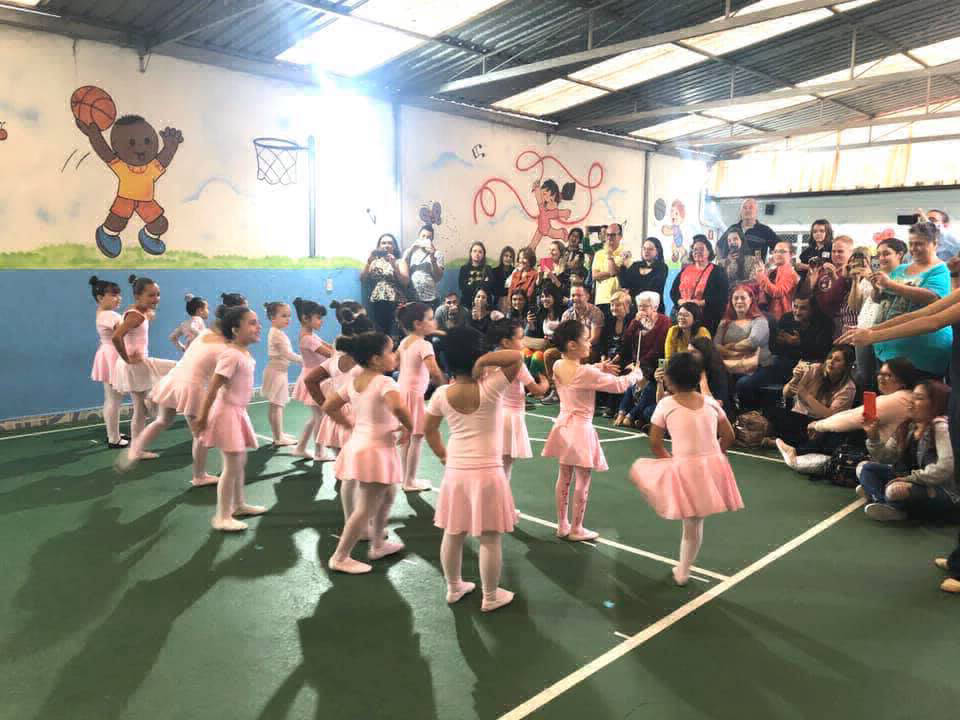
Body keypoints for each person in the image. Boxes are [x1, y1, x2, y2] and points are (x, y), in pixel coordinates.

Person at [424, 326, 525, 611]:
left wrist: (443, 456)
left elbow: (429, 430)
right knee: (490, 538)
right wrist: (485, 361)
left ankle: (454, 587)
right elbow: (516, 357)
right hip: (488, 472)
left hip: (456, 471)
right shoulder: (491, 386)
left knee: (453, 532)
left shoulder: (441, 394)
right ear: (478, 355)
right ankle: (490, 596)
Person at [629, 352, 742, 586]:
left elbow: (655, 442)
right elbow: (729, 435)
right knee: (695, 522)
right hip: (710, 465)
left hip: (685, 467)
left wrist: (670, 462)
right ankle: (684, 568)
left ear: (669, 379)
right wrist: (715, 454)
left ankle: (682, 571)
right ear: (698, 377)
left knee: (690, 521)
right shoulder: (710, 402)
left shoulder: (666, 404)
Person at [542, 320, 644, 541]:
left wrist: (598, 367)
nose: (590, 343)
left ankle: (562, 525)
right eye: (586, 339)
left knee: (564, 476)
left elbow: (580, 373)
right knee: (583, 479)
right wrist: (636, 374)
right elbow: (619, 385)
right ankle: (577, 528)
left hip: (563, 425)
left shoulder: (558, 364)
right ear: (572, 345)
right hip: (580, 429)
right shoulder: (585, 373)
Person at [324, 331, 414, 574]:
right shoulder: (385, 383)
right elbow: (398, 407)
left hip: (361, 445)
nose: (395, 355)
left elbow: (329, 405)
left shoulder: (354, 382)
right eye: (390, 351)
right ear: (375, 359)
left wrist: (348, 424)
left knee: (388, 494)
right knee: (364, 508)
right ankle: (340, 557)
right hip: (375, 450)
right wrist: (409, 427)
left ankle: (378, 543)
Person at [195, 307, 267, 532]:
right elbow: (213, 387)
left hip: (238, 412)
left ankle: (238, 504)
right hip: (227, 413)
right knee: (231, 466)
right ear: (235, 329)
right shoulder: (231, 354)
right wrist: (202, 417)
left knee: (239, 462)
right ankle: (222, 516)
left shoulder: (244, 353)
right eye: (252, 323)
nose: (258, 327)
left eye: (258, 322)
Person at [858, 380, 958, 523]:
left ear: (935, 403)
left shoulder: (941, 427)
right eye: (912, 396)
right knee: (865, 468)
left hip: (939, 488)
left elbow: (945, 468)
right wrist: (873, 437)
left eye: (919, 398)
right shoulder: (908, 426)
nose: (911, 401)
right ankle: (887, 504)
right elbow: (886, 457)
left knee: (894, 491)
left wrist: (909, 479)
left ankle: (885, 499)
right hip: (910, 479)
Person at [872, 222, 952, 378]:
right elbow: (883, 298)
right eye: (911, 244)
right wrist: (876, 289)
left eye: (919, 243)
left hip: (920, 354)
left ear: (935, 244)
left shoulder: (942, 270)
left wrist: (891, 284)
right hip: (887, 349)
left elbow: (933, 298)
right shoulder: (901, 269)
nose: (914, 248)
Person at [738, 295, 832, 409]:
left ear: (813, 309)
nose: (797, 312)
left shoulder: (825, 323)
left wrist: (800, 343)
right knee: (744, 383)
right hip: (781, 365)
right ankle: (751, 416)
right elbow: (775, 349)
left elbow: (824, 352)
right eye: (795, 307)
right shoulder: (787, 318)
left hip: (809, 369)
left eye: (803, 308)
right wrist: (778, 342)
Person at [487, 319, 549, 489]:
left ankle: (493, 497)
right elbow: (536, 390)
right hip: (510, 417)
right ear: (506, 342)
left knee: (495, 462)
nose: (523, 342)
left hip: (493, 414)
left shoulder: (490, 359)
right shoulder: (516, 362)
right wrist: (545, 382)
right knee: (506, 462)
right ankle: (500, 499)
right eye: (520, 338)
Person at [773, 345, 857, 461]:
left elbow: (831, 415)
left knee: (832, 438)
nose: (831, 362)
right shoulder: (814, 369)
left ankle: (792, 448)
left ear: (846, 366)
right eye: (830, 357)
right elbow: (786, 393)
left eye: (837, 360)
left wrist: (806, 395)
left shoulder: (848, 387)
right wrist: (795, 378)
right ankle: (790, 446)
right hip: (800, 417)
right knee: (777, 414)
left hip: (823, 423)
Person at [806, 357, 919, 443]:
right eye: (880, 373)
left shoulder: (898, 399)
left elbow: (853, 419)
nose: (881, 378)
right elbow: (854, 413)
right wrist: (820, 424)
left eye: (888, 375)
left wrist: (818, 426)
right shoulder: (900, 397)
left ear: (902, 381)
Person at [396, 303, 447, 493]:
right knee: (416, 437)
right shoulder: (425, 345)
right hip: (413, 396)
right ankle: (410, 481)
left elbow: (397, 364)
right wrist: (445, 387)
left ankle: (405, 478)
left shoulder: (405, 341)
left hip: (402, 392)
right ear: (418, 324)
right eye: (430, 319)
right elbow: (434, 371)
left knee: (407, 438)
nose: (434, 322)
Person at [111, 275, 162, 446]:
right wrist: (127, 358)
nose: (156, 298)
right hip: (135, 365)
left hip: (138, 363)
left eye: (158, 294)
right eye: (151, 295)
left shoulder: (135, 311)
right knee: (142, 408)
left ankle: (138, 446)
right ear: (138, 296)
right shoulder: (136, 316)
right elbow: (116, 337)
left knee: (141, 408)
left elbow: (121, 329)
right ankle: (138, 447)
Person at [854, 238, 907, 390]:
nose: (881, 258)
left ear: (899, 254)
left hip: (892, 335)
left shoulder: (906, 276)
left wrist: (887, 284)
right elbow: (875, 300)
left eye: (886, 253)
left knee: (888, 380)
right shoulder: (878, 275)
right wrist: (875, 288)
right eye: (879, 255)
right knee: (866, 377)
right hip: (869, 329)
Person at [614, 292, 670, 426]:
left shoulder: (664, 321)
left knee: (644, 378)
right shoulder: (637, 320)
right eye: (640, 306)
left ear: (655, 307)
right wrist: (635, 323)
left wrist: (639, 365)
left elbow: (658, 348)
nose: (642, 309)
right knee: (631, 379)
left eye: (646, 306)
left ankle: (631, 415)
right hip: (638, 362)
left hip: (655, 364)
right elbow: (625, 342)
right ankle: (622, 412)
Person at [714, 285, 773, 409]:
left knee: (743, 384)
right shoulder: (725, 322)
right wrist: (733, 353)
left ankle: (748, 414)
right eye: (735, 298)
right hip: (730, 365)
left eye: (743, 298)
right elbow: (715, 345)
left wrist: (730, 346)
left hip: (757, 367)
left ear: (751, 300)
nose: (739, 301)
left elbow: (752, 342)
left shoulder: (759, 320)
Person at [291, 298, 333, 461]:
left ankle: (300, 448)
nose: (321, 321)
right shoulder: (307, 339)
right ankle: (319, 452)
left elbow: (331, 348)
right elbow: (329, 353)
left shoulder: (312, 335)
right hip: (314, 380)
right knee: (319, 417)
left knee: (316, 416)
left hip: (315, 377)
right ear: (305, 318)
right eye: (318, 318)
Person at [89, 276, 127, 449]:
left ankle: (114, 434)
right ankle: (114, 438)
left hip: (107, 353)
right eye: (113, 295)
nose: (118, 298)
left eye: (119, 294)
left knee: (111, 399)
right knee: (114, 400)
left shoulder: (101, 313)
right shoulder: (110, 315)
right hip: (113, 355)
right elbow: (125, 333)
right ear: (100, 297)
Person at [261, 302, 302, 446]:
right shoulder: (277, 334)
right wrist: (304, 360)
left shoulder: (277, 332)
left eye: (289, 316)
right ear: (273, 318)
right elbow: (288, 354)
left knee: (275, 405)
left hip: (278, 371)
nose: (288, 319)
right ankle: (279, 438)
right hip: (277, 372)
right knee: (277, 405)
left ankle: (278, 434)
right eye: (284, 316)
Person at [669, 236, 728, 334]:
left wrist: (700, 303)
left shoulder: (718, 271)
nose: (697, 252)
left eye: (701, 249)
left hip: (705, 318)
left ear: (709, 252)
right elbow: (673, 292)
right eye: (695, 249)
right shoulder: (685, 270)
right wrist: (681, 301)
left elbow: (722, 296)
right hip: (682, 316)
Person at [801, 234, 854, 336]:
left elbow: (844, 298)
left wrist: (834, 276)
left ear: (850, 253)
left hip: (839, 322)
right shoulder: (824, 270)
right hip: (818, 321)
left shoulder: (852, 273)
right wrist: (812, 274)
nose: (836, 254)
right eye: (833, 251)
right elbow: (805, 294)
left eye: (840, 251)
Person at [361, 233, 408, 336]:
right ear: (379, 246)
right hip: (377, 302)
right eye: (383, 243)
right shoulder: (373, 262)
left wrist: (394, 265)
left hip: (396, 303)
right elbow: (363, 279)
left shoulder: (400, 262)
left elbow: (405, 281)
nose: (386, 245)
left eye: (390, 243)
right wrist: (369, 261)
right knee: (381, 335)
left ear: (394, 246)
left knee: (395, 334)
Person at [597, 290, 635, 417]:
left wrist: (614, 360)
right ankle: (600, 403)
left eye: (617, 305)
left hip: (625, 357)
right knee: (601, 367)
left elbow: (629, 345)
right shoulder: (609, 319)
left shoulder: (632, 321)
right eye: (612, 305)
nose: (613, 308)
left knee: (616, 369)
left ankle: (612, 406)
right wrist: (603, 358)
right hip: (609, 356)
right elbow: (602, 342)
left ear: (627, 306)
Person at [619, 237, 668, 313]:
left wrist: (632, 290)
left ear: (658, 251)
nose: (646, 251)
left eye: (650, 249)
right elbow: (624, 284)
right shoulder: (635, 265)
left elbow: (651, 288)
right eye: (644, 248)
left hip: (653, 308)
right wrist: (623, 265)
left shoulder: (662, 267)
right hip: (635, 307)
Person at [591, 222, 629, 317]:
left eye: (613, 235)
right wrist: (614, 271)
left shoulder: (626, 253)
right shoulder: (599, 254)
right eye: (607, 235)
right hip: (601, 300)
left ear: (620, 236)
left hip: (619, 301)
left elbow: (624, 274)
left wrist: (609, 257)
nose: (609, 238)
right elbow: (595, 276)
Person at [754, 241, 799, 320]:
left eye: (782, 251)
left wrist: (761, 274)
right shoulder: (774, 270)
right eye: (775, 251)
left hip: (780, 317)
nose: (777, 254)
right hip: (770, 315)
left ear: (791, 254)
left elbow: (777, 292)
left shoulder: (789, 272)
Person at [403, 224, 445, 307]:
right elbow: (403, 268)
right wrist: (411, 250)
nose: (425, 239)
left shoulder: (437, 254)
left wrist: (433, 257)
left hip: (431, 298)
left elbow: (438, 277)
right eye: (423, 236)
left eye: (428, 237)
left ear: (431, 240)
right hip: (411, 297)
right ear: (418, 236)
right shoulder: (409, 251)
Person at [561, 283, 605, 358]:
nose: (575, 298)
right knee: (549, 354)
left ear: (587, 297)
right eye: (573, 295)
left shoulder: (596, 312)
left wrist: (578, 348)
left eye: (579, 295)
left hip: (589, 348)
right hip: (570, 348)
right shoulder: (567, 314)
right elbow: (563, 335)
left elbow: (594, 339)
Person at [457, 241, 493, 309]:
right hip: (467, 304)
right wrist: (482, 283)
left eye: (480, 252)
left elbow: (489, 287)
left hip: (484, 306)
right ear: (471, 253)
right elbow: (462, 287)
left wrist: (471, 284)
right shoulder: (464, 269)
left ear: (483, 254)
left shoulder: (488, 269)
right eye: (475, 251)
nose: (477, 254)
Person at [489, 246, 515, 312]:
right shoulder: (494, 271)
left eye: (511, 257)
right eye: (506, 256)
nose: (508, 258)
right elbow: (494, 290)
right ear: (502, 257)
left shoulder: (515, 272)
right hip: (497, 303)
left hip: (512, 303)